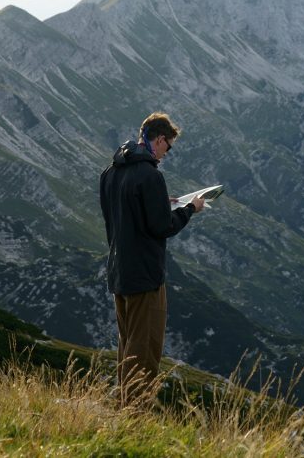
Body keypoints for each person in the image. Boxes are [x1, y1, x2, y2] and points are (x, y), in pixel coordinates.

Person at [99, 112, 204, 407]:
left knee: (127, 343)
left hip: (119, 271)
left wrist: (161, 203)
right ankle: (135, 412)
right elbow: (162, 227)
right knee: (144, 349)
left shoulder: (111, 171)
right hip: (145, 275)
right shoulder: (150, 175)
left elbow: (120, 213)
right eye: (168, 147)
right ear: (159, 140)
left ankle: (122, 403)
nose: (166, 153)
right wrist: (189, 209)